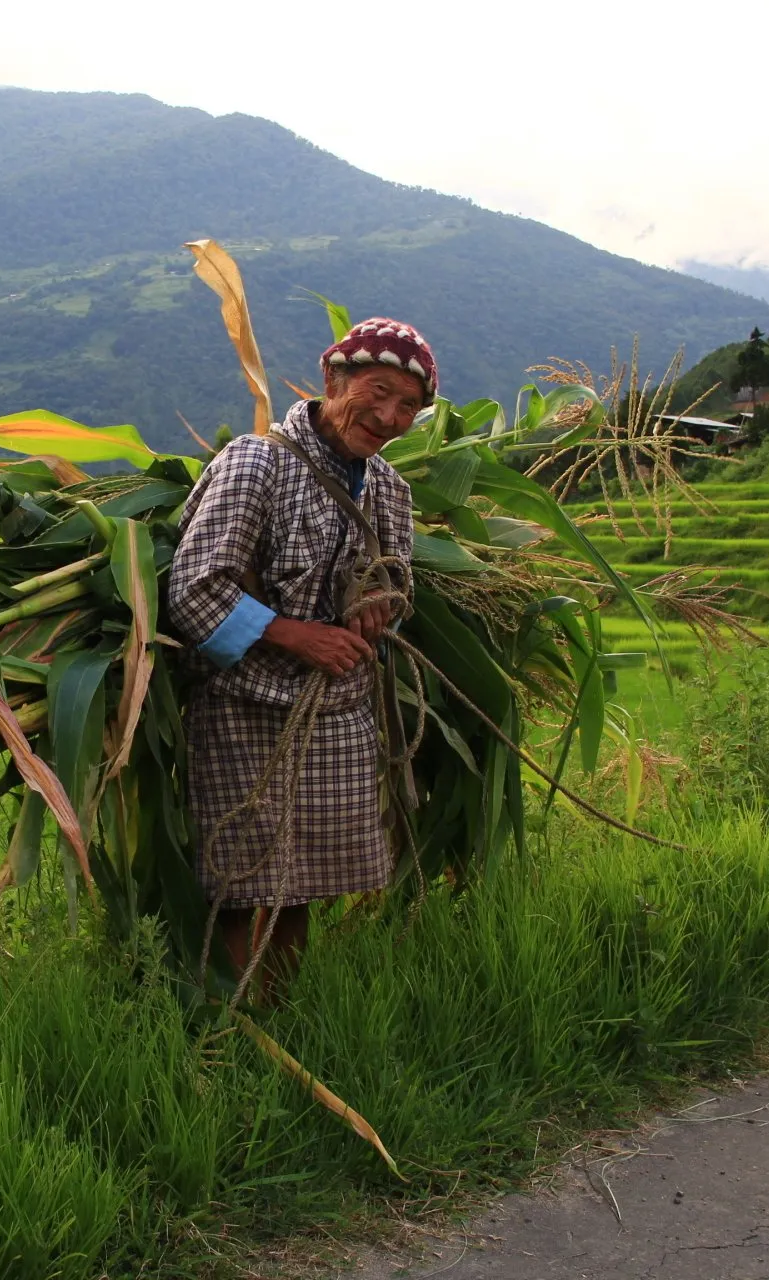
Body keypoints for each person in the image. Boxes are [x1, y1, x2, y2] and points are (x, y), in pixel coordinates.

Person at [167, 318, 430, 991]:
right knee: (243, 883)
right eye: (378, 391)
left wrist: (376, 611)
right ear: (332, 380)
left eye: (408, 405)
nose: (390, 415)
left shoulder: (390, 490)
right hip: (244, 709)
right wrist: (293, 633)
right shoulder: (257, 463)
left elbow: (397, 585)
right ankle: (222, 1024)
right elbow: (195, 588)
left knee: (304, 884)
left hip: (337, 711)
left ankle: (278, 1011)